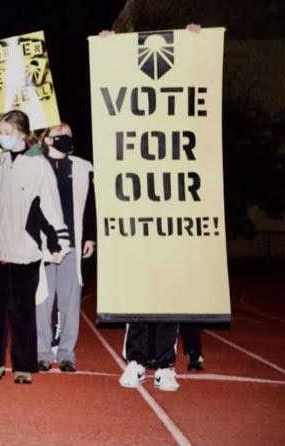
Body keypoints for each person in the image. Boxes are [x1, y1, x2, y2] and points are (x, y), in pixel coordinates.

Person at [104, 23, 203, 392]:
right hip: (138, 224)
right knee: (139, 296)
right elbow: (114, 99)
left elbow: (194, 91)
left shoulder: (180, 131)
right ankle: (136, 361)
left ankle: (164, 364)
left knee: (168, 297)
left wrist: (194, 49)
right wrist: (111, 55)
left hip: (172, 224)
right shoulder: (131, 131)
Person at [0, 110, 70, 384]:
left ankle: (23, 366)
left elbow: (51, 206)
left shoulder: (38, 165)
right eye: (0, 132)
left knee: (23, 311)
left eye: (7, 132)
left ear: (21, 133)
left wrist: (59, 240)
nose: (2, 137)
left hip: (24, 249)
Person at [36, 122, 96, 373]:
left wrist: (90, 237)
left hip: (72, 243)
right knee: (43, 300)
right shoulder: (35, 166)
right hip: (43, 245)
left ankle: (66, 354)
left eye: (69, 135)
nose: (66, 138)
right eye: (60, 135)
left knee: (70, 302)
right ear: (47, 140)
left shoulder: (82, 168)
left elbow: (91, 204)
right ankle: (42, 353)